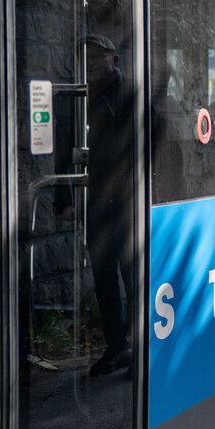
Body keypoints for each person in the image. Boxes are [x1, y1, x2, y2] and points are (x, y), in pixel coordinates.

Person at [82, 33, 137, 376]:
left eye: (95, 57)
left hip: (128, 202)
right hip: (98, 200)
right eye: (85, 57)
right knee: (102, 277)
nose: (88, 63)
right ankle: (117, 347)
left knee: (132, 276)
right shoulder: (81, 96)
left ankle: (139, 347)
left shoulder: (130, 94)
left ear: (114, 61)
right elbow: (66, 140)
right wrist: (62, 199)